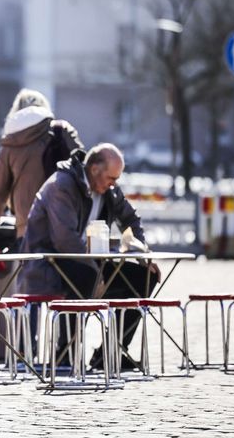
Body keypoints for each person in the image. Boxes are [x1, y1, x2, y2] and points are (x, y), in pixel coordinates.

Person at [20, 143, 159, 369]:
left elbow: (131, 220)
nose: (114, 183)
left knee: (144, 277)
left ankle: (111, 351)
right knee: (85, 276)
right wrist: (97, 269)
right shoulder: (61, 185)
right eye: (111, 177)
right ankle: (66, 353)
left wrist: (142, 252)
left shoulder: (110, 190)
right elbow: (64, 240)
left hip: (89, 260)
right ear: (94, 170)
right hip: (50, 261)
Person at [0, 88, 83, 245]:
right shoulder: (60, 130)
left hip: (28, 223)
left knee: (32, 268)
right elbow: (82, 166)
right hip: (65, 218)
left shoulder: (11, 141)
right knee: (67, 267)